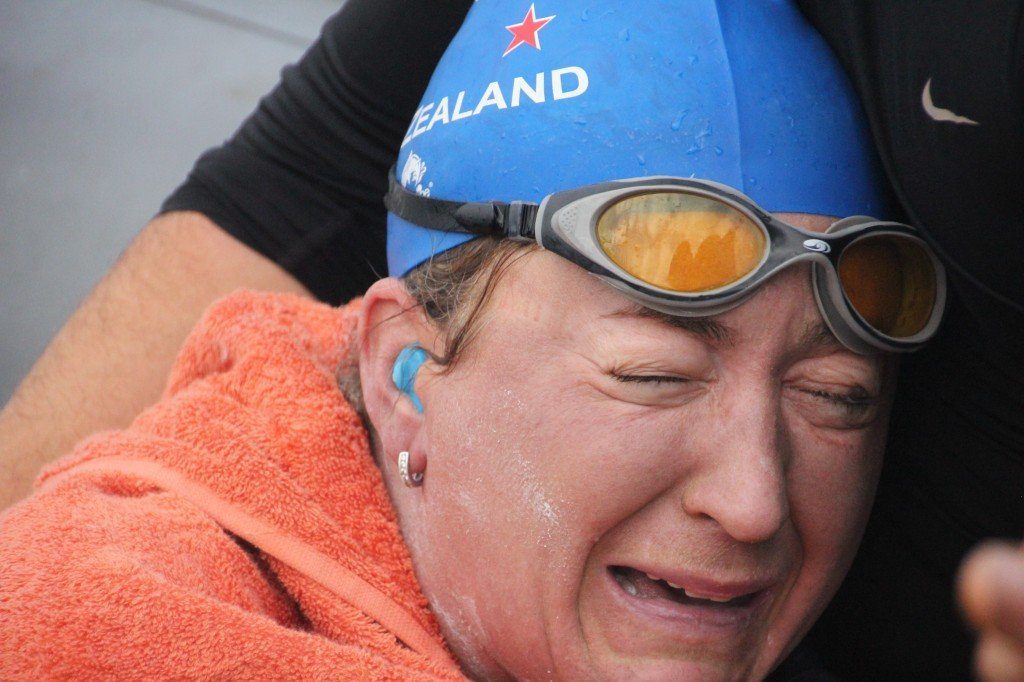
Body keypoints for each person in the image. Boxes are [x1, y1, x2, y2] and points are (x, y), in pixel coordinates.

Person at [0, 0, 1020, 678]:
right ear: (404, 376)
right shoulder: (109, 619)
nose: (755, 501)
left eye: (837, 397)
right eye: (653, 374)